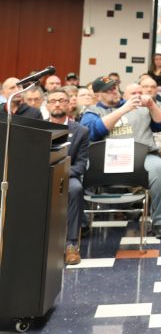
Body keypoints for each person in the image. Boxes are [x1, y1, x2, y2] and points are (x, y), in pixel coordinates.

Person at [80, 77, 161, 240]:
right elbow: (94, 132)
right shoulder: (92, 112)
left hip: (141, 160)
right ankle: (81, 224)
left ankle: (160, 223)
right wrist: (123, 109)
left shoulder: (139, 107)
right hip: (103, 163)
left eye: (115, 87)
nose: (113, 91)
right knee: (76, 173)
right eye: (108, 90)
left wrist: (152, 105)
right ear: (97, 95)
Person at [44, 90, 89, 265]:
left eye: (61, 100)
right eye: (53, 101)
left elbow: (81, 165)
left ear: (69, 104)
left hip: (67, 176)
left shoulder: (81, 131)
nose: (57, 104)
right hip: (41, 175)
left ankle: (71, 245)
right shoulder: (37, 128)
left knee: (76, 189)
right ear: (46, 105)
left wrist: (59, 172)